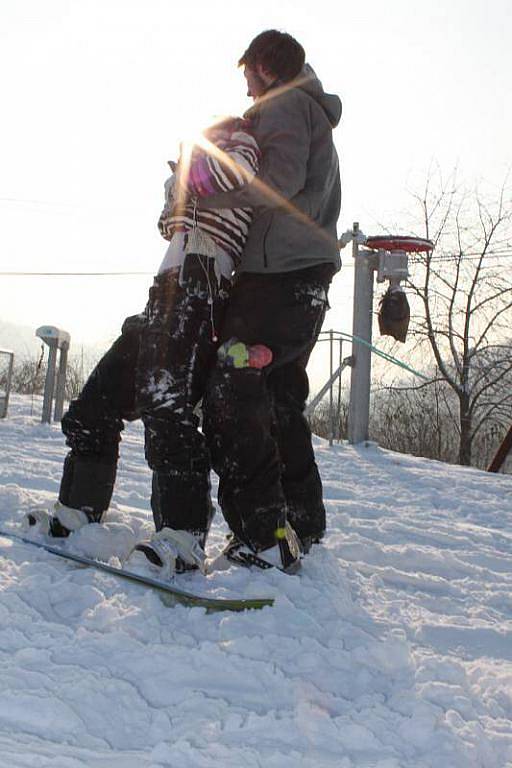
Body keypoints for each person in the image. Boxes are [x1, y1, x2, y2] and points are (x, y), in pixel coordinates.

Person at [26, 117, 262, 576]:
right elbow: (166, 222)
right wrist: (179, 184)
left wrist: (188, 171)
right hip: (166, 290)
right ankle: (79, 510)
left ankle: (183, 538)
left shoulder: (240, 141)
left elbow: (235, 176)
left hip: (203, 289)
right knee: (94, 403)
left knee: (167, 409)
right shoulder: (196, 173)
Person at [198, 30, 342, 572]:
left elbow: (276, 181)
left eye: (248, 72)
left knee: (234, 389)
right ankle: (302, 519)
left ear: (265, 66)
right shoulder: (311, 111)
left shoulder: (283, 107)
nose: (246, 85)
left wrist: (211, 194)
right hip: (303, 278)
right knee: (279, 394)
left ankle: (261, 532)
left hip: (276, 276)